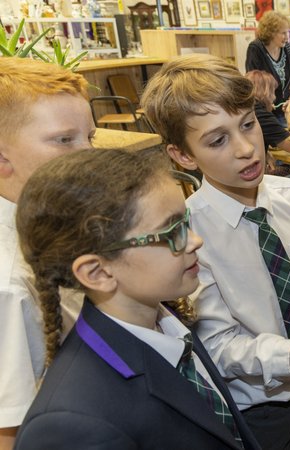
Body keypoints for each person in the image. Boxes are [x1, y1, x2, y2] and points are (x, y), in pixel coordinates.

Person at [141, 54, 290, 450]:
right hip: (262, 411)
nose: (247, 148)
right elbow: (220, 345)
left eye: (248, 124)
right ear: (182, 155)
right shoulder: (190, 235)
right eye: (218, 140)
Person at [13, 148, 260, 450]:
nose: (196, 241)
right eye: (172, 232)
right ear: (98, 272)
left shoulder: (166, 320)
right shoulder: (73, 425)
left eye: (186, 222)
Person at [0, 57, 95, 450]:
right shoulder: (10, 284)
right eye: (64, 140)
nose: (88, 155)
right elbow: (9, 431)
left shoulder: (54, 218)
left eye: (91, 137)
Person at [245, 10, 290, 126]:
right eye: (283, 33)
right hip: (265, 113)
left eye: (287, 33)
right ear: (271, 33)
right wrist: (265, 104)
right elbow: (253, 84)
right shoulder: (256, 49)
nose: (287, 37)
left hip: (285, 111)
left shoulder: (287, 49)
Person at [245, 69, 290, 176]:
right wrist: (289, 115)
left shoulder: (248, 109)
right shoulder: (260, 114)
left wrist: (265, 152)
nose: (274, 97)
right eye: (273, 92)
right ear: (266, 92)